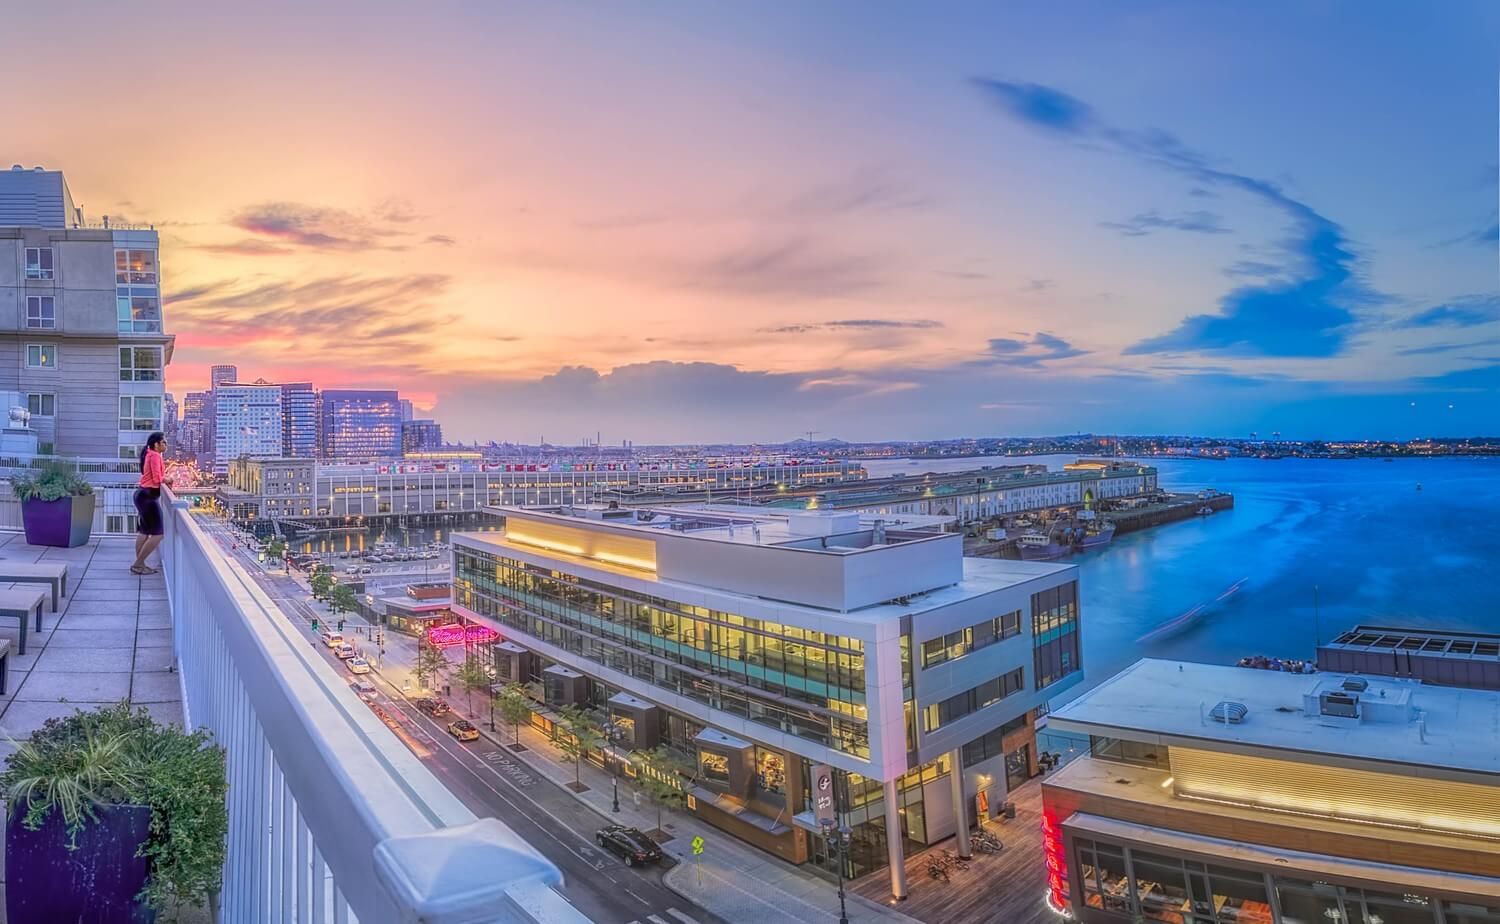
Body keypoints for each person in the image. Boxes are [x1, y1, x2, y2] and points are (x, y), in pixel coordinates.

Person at [131, 432, 168, 575]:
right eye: (164, 442)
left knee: (145, 532)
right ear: (156, 444)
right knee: (158, 534)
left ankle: (140, 564)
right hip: (148, 497)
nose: (166, 445)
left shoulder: (150, 454)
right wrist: (168, 479)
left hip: (143, 495)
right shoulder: (154, 456)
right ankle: (138, 564)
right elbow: (157, 478)